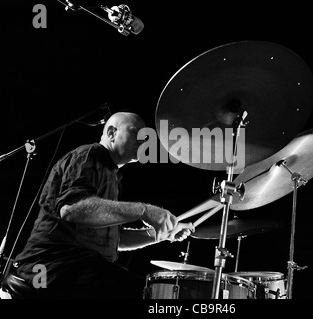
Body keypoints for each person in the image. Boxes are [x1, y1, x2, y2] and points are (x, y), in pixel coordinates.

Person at [11, 112, 194, 299]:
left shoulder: (112, 175)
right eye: (135, 133)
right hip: (49, 266)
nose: (143, 141)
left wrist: (160, 233)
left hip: (79, 267)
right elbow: (72, 209)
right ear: (112, 133)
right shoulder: (91, 155)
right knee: (145, 294)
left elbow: (116, 239)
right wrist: (144, 210)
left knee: (148, 292)